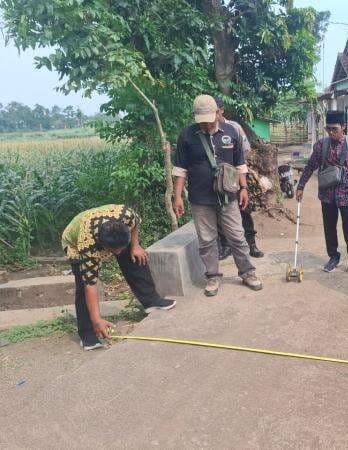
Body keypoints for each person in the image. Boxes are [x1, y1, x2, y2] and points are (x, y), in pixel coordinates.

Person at [172, 94, 263, 297]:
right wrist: (177, 197)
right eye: (201, 122)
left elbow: (240, 164)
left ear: (218, 113)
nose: (205, 126)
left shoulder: (231, 132)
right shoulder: (187, 135)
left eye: (209, 121)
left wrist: (244, 188)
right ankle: (213, 276)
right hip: (200, 199)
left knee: (237, 237)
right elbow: (180, 169)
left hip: (228, 196)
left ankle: (248, 272)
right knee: (207, 240)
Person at [62, 204, 176, 350]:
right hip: (74, 243)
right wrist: (97, 319)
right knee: (83, 284)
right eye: (113, 250)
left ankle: (151, 300)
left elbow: (135, 223)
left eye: (121, 248)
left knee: (134, 255)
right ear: (102, 244)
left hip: (109, 230)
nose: (118, 253)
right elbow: (90, 285)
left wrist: (135, 246)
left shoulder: (125, 215)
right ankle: (88, 334)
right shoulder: (87, 245)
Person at [295, 110, 348, 278]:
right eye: (328, 129)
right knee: (329, 228)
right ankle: (333, 256)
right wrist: (301, 186)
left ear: (343, 126)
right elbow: (310, 165)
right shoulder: (321, 145)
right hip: (327, 195)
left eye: (334, 129)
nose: (331, 132)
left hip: (347, 194)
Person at [214, 96, 264, 259]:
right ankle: (226, 246)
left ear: (221, 110)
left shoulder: (234, 127)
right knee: (218, 210)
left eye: (216, 111)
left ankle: (252, 245)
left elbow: (245, 151)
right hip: (216, 179)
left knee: (244, 210)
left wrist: (241, 176)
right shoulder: (205, 128)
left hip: (236, 176)